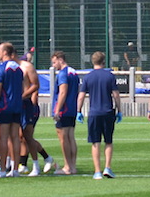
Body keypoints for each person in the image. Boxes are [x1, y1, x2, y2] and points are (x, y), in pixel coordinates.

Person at [76, 50, 121, 180]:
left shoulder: (88, 77)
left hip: (94, 113)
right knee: (108, 141)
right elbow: (116, 95)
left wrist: (79, 111)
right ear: (103, 62)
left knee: (95, 142)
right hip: (107, 112)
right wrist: (119, 110)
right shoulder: (109, 76)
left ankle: (97, 171)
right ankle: (107, 167)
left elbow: (81, 96)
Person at [18, 49, 53, 176]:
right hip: (23, 106)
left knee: (27, 136)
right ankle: (23, 163)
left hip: (30, 107)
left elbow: (34, 93)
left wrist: (32, 108)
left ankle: (44, 158)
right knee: (21, 137)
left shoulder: (28, 71)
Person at [0, 42, 23, 177]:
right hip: (17, 106)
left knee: (3, 138)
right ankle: (15, 169)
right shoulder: (18, 68)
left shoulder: (0, 68)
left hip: (4, 106)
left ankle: (3, 170)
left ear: (5, 52)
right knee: (15, 137)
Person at [51, 50, 80, 175]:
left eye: (54, 62)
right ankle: (73, 166)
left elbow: (63, 91)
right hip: (72, 109)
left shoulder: (63, 74)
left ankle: (67, 166)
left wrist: (57, 109)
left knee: (63, 138)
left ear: (60, 59)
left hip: (64, 109)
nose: (54, 66)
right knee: (71, 137)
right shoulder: (73, 72)